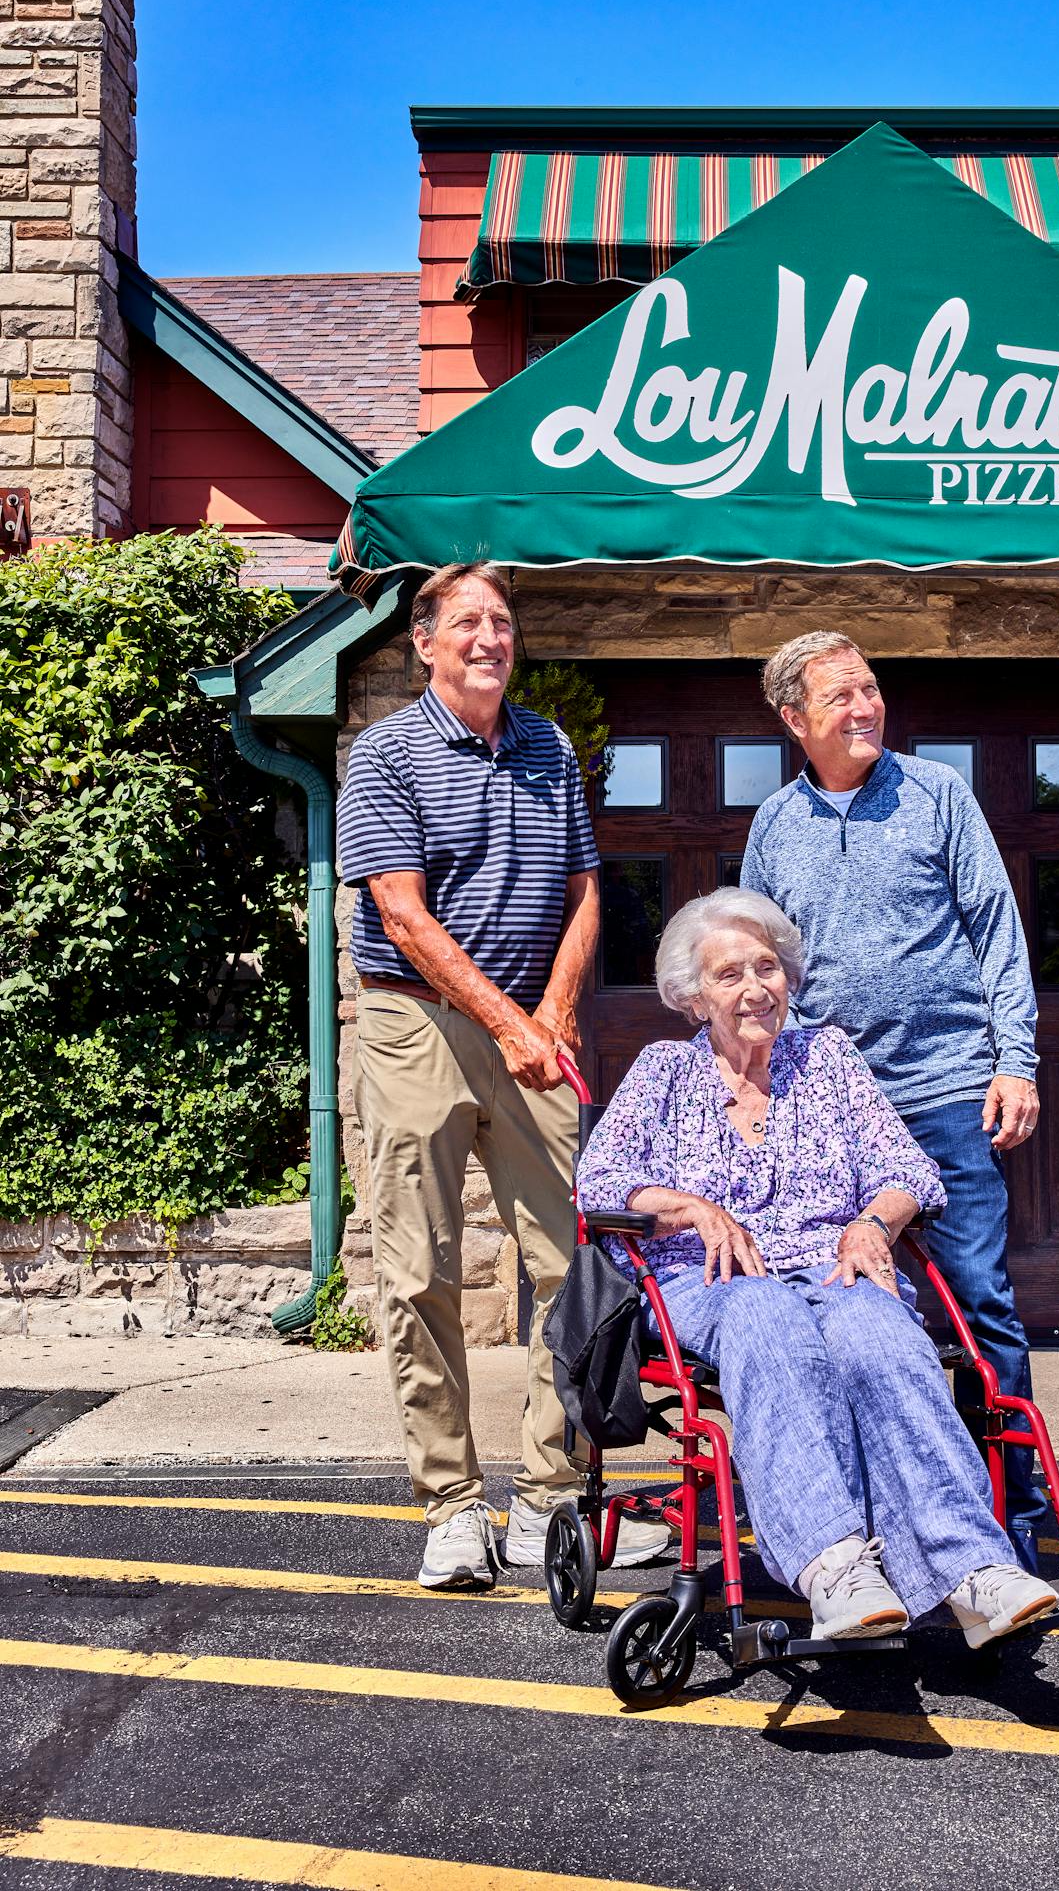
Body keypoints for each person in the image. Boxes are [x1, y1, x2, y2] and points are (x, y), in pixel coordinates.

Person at [575, 887, 1059, 1646]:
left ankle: (973, 1570)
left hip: (829, 1267)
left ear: (789, 979)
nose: (754, 988)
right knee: (766, 1315)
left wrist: (873, 1223)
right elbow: (599, 1181)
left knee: (880, 1330)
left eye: (767, 967)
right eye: (729, 974)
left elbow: (909, 1168)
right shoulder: (663, 1072)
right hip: (707, 1281)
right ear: (693, 996)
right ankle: (833, 1565)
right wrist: (692, 1207)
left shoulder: (828, 1057)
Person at [336, 560, 668, 1588]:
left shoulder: (546, 745)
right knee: (417, 1269)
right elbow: (401, 912)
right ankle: (449, 1505)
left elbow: (582, 889)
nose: (489, 636)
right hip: (415, 1022)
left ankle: (546, 1497)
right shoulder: (385, 753)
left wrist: (555, 1013)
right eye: (467, 621)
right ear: (424, 643)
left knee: (578, 1260)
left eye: (501, 620)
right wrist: (508, 1021)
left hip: (534, 1027)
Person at [739, 631, 1045, 1570]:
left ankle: (1017, 1517)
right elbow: (757, 971)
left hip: (951, 1090)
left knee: (979, 1304)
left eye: (871, 688)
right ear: (795, 719)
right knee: (849, 1308)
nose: (866, 707)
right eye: (842, 696)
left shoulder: (939, 795)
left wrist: (1015, 1060)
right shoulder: (774, 826)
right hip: (832, 1110)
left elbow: (996, 928)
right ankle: (874, 1513)